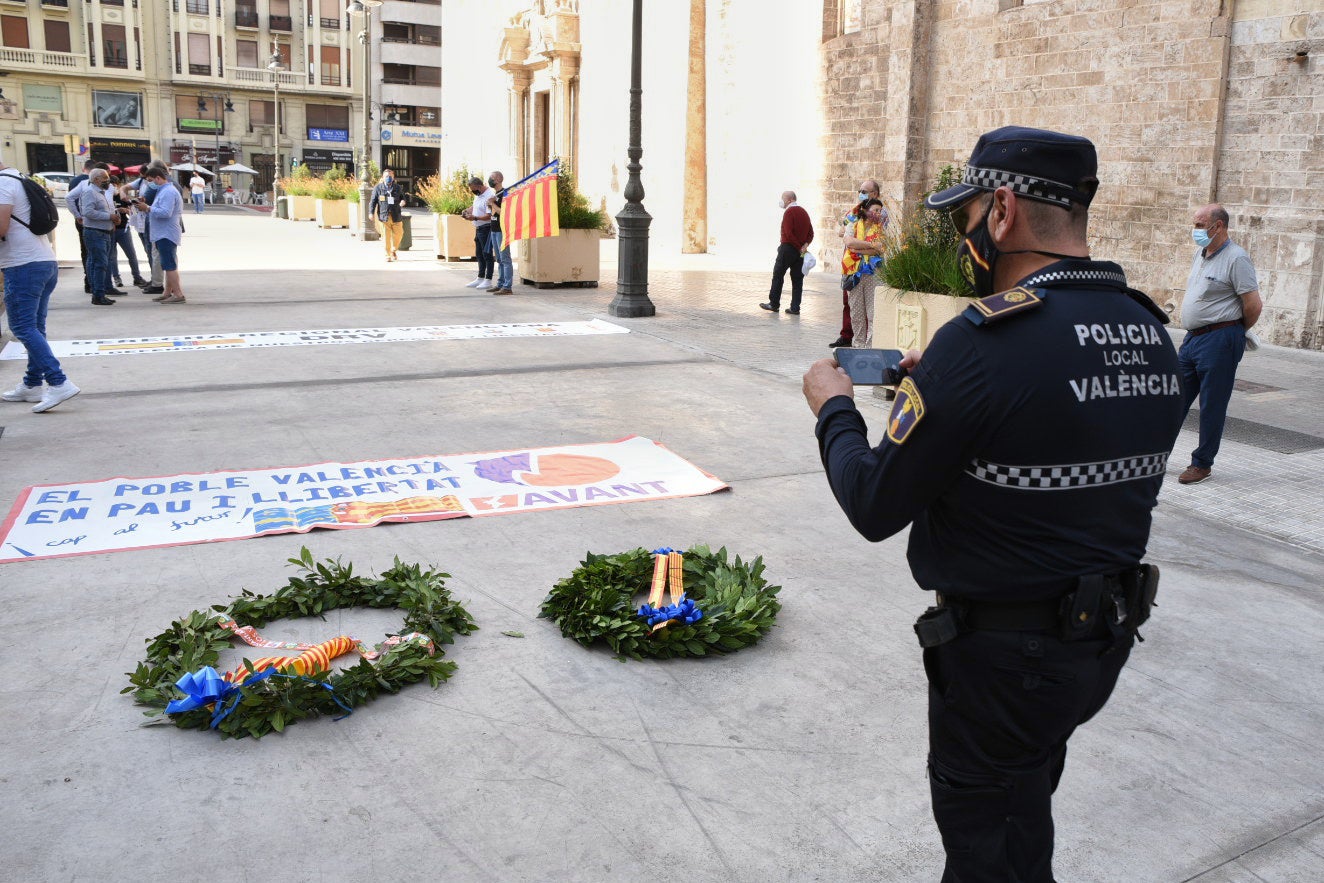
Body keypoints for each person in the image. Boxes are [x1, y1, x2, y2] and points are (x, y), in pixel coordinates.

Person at [802, 126, 1186, 882]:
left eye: (967, 215)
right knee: (1022, 799)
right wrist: (940, 393)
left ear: (1003, 210)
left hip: (1007, 661)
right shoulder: (1147, 331)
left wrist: (833, 409)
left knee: (994, 850)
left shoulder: (981, 342)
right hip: (1097, 645)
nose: (965, 234)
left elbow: (875, 502)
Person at [1175, 204, 1263, 485]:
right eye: (1195, 224)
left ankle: (1201, 464)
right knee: (1173, 398)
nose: (1196, 230)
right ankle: (1153, 453)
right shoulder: (1199, 254)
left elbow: (1253, 305)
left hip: (1220, 339)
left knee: (1212, 405)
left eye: (1201, 225)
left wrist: (1232, 332)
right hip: (1192, 339)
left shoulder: (1237, 259)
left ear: (1219, 226)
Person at [0, 151, 80, 412]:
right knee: (34, 327)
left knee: (22, 327)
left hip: (23, 265)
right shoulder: (19, 179)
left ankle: (58, 382)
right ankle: (32, 384)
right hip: (43, 262)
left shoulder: (2, 184)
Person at [832, 179, 883, 348]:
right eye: (874, 210)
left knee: (873, 313)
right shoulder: (853, 219)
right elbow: (849, 242)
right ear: (866, 210)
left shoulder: (882, 221)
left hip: (872, 273)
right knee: (856, 312)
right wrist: (869, 246)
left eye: (864, 191)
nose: (877, 213)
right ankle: (858, 346)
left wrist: (860, 247)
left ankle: (869, 347)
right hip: (853, 271)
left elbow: (880, 249)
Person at [759, 190, 813, 315]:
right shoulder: (804, 212)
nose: (781, 201)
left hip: (788, 248)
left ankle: (774, 303)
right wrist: (804, 246)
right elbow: (811, 232)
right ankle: (795, 308)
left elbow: (788, 233)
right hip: (800, 252)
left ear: (789, 200)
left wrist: (798, 246)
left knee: (778, 274)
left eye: (783, 198)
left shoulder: (789, 212)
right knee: (797, 279)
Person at [138, 165, 186, 304]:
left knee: (169, 264)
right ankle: (167, 292)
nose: (149, 184)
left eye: (151, 180)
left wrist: (147, 208)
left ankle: (178, 294)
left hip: (166, 233)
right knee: (168, 264)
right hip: (163, 233)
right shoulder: (163, 190)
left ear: (158, 178)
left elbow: (165, 212)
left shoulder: (168, 192)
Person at [77, 168, 118, 306]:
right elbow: (87, 212)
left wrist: (114, 216)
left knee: (101, 264)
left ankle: (99, 293)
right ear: (96, 179)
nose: (108, 181)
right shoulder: (90, 192)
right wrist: (109, 217)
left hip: (104, 232)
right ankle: (98, 295)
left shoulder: (100, 192)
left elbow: (102, 210)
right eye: (105, 178)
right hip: (95, 233)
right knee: (99, 264)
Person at [65, 158, 98, 294]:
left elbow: (69, 198)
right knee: (96, 252)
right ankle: (95, 283)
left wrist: (77, 215)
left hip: (80, 221)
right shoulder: (90, 182)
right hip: (93, 221)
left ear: (84, 168)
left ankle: (89, 282)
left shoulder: (74, 181)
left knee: (85, 251)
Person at [111, 180, 148, 289]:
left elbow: (133, 211)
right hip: (110, 230)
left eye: (114, 186)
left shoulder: (122, 197)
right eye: (110, 186)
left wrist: (126, 210)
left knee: (131, 254)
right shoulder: (106, 197)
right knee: (112, 256)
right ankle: (116, 278)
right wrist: (116, 209)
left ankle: (137, 277)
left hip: (123, 229)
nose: (113, 189)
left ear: (117, 186)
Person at [462, 176, 495, 290]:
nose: (473, 192)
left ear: (479, 186)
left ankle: (488, 279)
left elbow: (489, 215)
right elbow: (475, 206)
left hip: (486, 228)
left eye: (474, 189)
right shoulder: (479, 195)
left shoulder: (489, 195)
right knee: (479, 254)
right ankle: (480, 277)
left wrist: (474, 218)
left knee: (487, 254)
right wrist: (467, 211)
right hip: (478, 228)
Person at [368, 168, 405, 262]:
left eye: (390, 176)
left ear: (393, 177)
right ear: (383, 177)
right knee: (386, 237)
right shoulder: (378, 188)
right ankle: (387, 255)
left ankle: (393, 250)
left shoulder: (397, 187)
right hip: (384, 216)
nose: (388, 178)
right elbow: (373, 201)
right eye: (386, 176)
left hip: (396, 215)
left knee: (399, 234)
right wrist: (371, 213)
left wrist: (403, 202)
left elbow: (403, 198)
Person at [487, 171, 514, 295]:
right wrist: (490, 204)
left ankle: (507, 286)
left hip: (501, 230)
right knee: (499, 259)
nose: (490, 180)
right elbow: (492, 212)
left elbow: (503, 212)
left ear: (498, 179)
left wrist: (492, 203)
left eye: (492, 178)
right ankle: (500, 283)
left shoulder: (504, 194)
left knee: (505, 258)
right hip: (494, 229)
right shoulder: (495, 194)